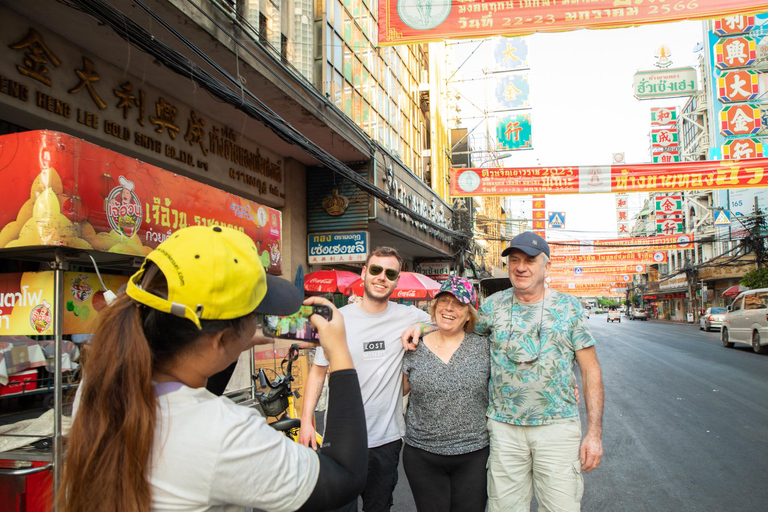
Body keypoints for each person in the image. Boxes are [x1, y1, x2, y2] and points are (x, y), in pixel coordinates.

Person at [59, 225, 367, 512]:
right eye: (254, 314)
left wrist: (240, 340)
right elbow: (345, 475)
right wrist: (338, 352)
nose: (256, 323)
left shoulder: (103, 378)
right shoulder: (225, 433)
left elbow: (195, 386)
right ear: (218, 340)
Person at [299, 246, 431, 512]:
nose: (382, 277)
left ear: (396, 280)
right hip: (341, 439)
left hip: (387, 439)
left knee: (379, 506)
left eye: (390, 273)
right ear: (364, 273)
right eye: (375, 269)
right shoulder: (339, 319)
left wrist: (421, 326)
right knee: (339, 507)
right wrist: (306, 421)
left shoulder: (409, 316)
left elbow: (444, 322)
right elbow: (317, 371)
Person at [479, 232, 603, 512]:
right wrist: (423, 327)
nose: (521, 267)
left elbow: (590, 370)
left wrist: (594, 434)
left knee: (560, 507)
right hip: (504, 428)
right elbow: (457, 334)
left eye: (530, 261)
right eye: (514, 260)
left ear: (547, 266)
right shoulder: (492, 306)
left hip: (557, 428)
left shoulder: (568, 307)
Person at [401, 276, 490, 512]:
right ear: (435, 306)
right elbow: (399, 389)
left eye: (459, 304)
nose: (449, 308)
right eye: (444, 301)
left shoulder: (484, 346)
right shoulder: (414, 346)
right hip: (422, 455)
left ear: (469, 313)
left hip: (474, 454)